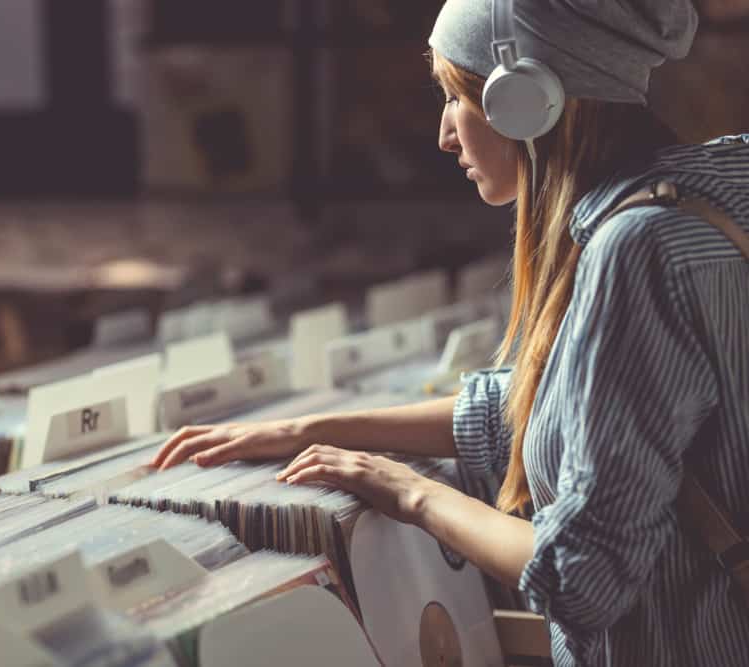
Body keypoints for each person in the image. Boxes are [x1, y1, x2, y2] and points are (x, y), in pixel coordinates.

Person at [153, 0, 749, 665]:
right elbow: (574, 408)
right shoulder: (712, 196)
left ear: (527, 103)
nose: (443, 133)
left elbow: (581, 574)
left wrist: (410, 493)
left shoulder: (635, 249)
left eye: (454, 96)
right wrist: (316, 428)